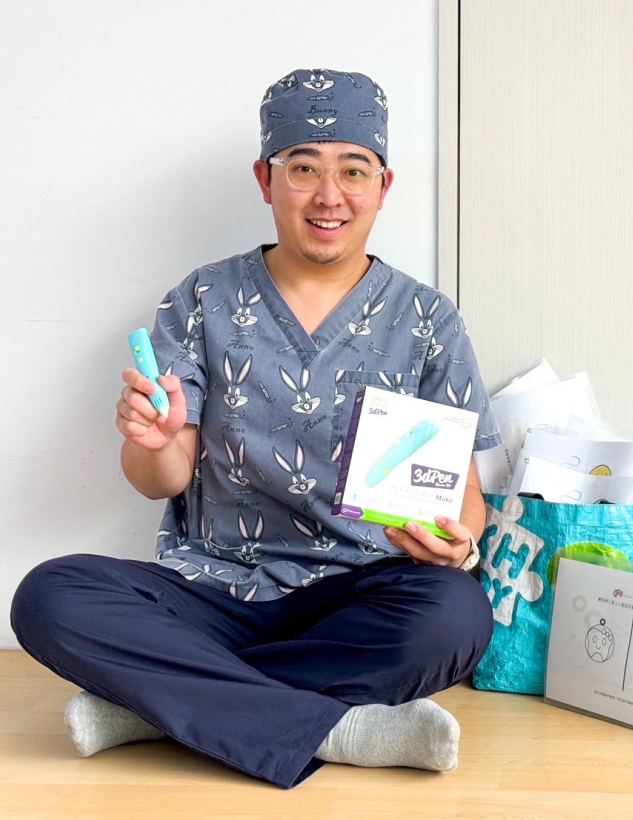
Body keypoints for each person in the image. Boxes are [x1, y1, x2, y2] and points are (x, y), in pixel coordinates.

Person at [8, 69, 502, 789]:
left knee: (456, 616)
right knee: (50, 595)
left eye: (353, 171)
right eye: (303, 169)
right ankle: (337, 726)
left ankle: (161, 708)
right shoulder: (203, 299)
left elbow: (465, 500)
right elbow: (161, 480)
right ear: (266, 180)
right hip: (213, 593)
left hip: (358, 596)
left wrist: (459, 545)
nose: (329, 196)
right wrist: (152, 442)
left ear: (383, 186)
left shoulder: (428, 320)